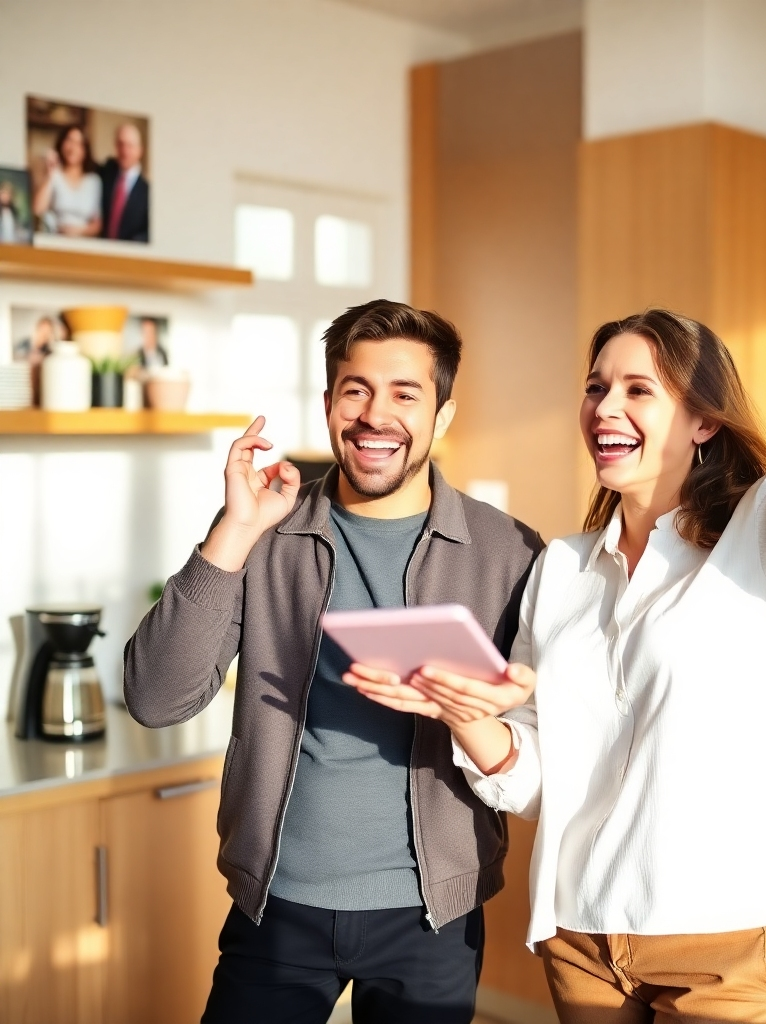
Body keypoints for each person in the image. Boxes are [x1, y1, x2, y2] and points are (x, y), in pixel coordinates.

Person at [348, 219, 766, 1023]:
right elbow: (539, 779)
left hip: (726, 941)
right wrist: (465, 713)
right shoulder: (561, 569)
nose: (603, 407)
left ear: (704, 421)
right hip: (584, 939)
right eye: (595, 386)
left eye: (636, 389)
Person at [123, 299, 543, 1024]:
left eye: (405, 394)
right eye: (356, 390)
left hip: (431, 916)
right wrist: (233, 532)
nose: (375, 415)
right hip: (279, 904)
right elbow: (157, 699)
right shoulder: (265, 533)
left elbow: (530, 746)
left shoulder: (510, 553)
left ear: (443, 414)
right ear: (328, 405)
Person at [31, 125, 102, 237]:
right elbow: (38, 209)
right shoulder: (55, 175)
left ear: (85, 150)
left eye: (79, 144)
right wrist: (50, 173)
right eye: (69, 141)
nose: (73, 148)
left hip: (83, 242)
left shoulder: (93, 181)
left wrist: (78, 231)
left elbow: (97, 224)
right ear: (62, 144)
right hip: (55, 238)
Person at [100, 123, 149, 242]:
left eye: (130, 146)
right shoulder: (105, 175)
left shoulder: (148, 191)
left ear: (140, 150)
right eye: (121, 144)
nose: (124, 151)